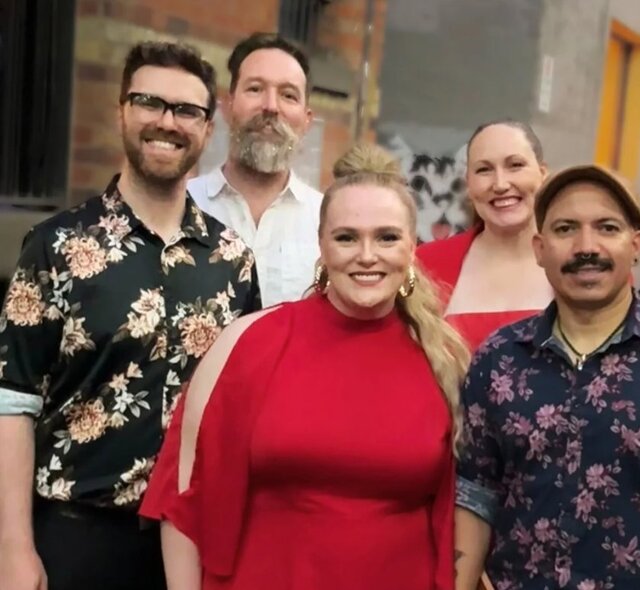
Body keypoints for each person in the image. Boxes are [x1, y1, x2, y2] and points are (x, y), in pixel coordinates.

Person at [139, 144, 470, 590]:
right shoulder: (250, 343)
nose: (367, 255)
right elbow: (182, 494)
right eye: (347, 237)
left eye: (387, 237)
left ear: (413, 247)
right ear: (321, 245)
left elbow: (465, 515)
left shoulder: (444, 361)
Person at [0, 42, 259, 590]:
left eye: (187, 110)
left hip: (191, 546)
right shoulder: (56, 247)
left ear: (208, 130)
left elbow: (241, 409)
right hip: (76, 538)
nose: (167, 122)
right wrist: (14, 549)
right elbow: (11, 404)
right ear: (121, 110)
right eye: (150, 102)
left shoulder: (233, 261)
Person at [453, 164, 640, 590]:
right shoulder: (499, 359)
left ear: (636, 245)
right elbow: (474, 497)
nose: (586, 246)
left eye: (607, 227)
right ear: (539, 249)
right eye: (565, 229)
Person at [188, 32, 322, 306]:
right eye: (255, 89)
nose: (271, 107)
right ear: (227, 106)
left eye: (288, 95)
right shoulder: (184, 205)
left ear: (307, 120)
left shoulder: (328, 221)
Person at [417, 119, 553, 350]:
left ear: (542, 174)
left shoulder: (577, 260)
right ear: (468, 184)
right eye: (484, 170)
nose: (500, 184)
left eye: (515, 165)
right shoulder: (425, 264)